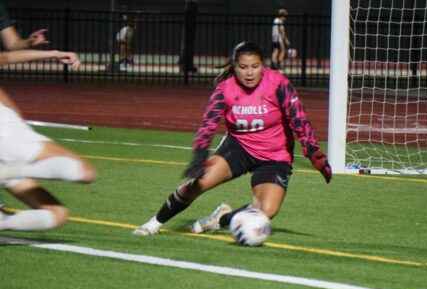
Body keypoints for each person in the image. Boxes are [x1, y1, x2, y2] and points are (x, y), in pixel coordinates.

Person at [133, 41, 331, 236]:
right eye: (243, 67)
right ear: (234, 66)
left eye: (255, 66)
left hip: (275, 156)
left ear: (263, 65)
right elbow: (208, 125)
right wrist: (198, 159)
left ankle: (221, 219)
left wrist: (314, 153)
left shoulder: (279, 84)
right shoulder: (225, 90)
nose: (249, 72)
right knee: (199, 184)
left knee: (266, 211)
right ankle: (152, 224)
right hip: (239, 148)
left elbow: (299, 120)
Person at [0, 23, 96, 231]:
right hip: (6, 134)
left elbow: (7, 55)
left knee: (58, 214)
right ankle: (6, 171)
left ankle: (3, 221)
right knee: (85, 172)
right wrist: (55, 53)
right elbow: (6, 58)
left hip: (10, 135)